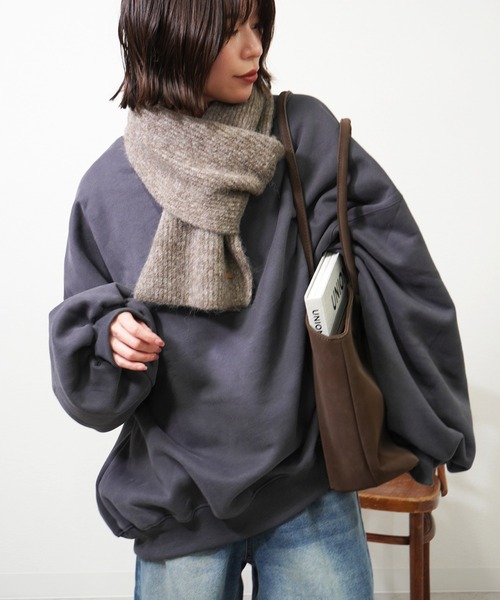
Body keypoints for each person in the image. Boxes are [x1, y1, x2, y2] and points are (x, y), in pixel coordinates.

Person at [48, 0, 475, 598]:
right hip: (179, 505)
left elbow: (401, 272)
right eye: (230, 32)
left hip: (309, 492)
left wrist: (434, 423)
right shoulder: (107, 188)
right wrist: (111, 334)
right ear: (170, 35)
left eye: (257, 26)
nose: (254, 47)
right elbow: (89, 384)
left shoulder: (303, 136)